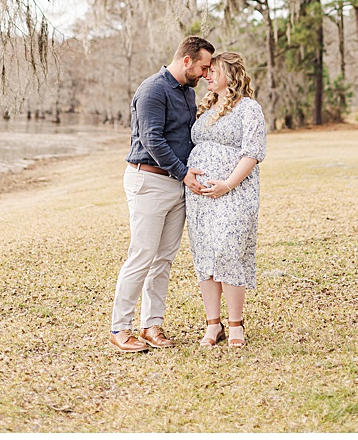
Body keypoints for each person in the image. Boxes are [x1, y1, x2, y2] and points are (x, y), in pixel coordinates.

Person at [110, 35, 214, 353]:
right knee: (142, 254)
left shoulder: (187, 92)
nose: (205, 74)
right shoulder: (152, 89)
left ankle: (151, 325)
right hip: (149, 181)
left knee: (163, 259)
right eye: (203, 67)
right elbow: (152, 139)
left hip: (177, 185)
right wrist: (183, 173)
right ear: (187, 60)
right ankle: (120, 328)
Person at [185, 51, 267, 349]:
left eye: (213, 71)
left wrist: (228, 184)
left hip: (234, 192)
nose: (206, 75)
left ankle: (235, 324)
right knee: (205, 254)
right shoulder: (205, 108)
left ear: (230, 75)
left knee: (229, 251)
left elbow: (253, 153)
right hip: (199, 197)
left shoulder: (248, 108)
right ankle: (213, 324)